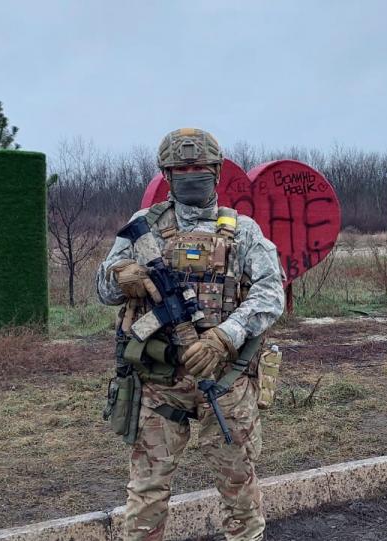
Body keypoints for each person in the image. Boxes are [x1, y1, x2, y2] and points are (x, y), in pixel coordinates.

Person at [96, 127, 285, 541]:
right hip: (158, 384)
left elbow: (273, 294)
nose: (191, 174)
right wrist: (120, 277)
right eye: (181, 168)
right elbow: (103, 290)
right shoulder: (141, 227)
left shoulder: (245, 231)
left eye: (199, 167)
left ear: (216, 171)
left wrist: (224, 337)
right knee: (146, 494)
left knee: (239, 494)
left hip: (225, 383)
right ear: (166, 173)